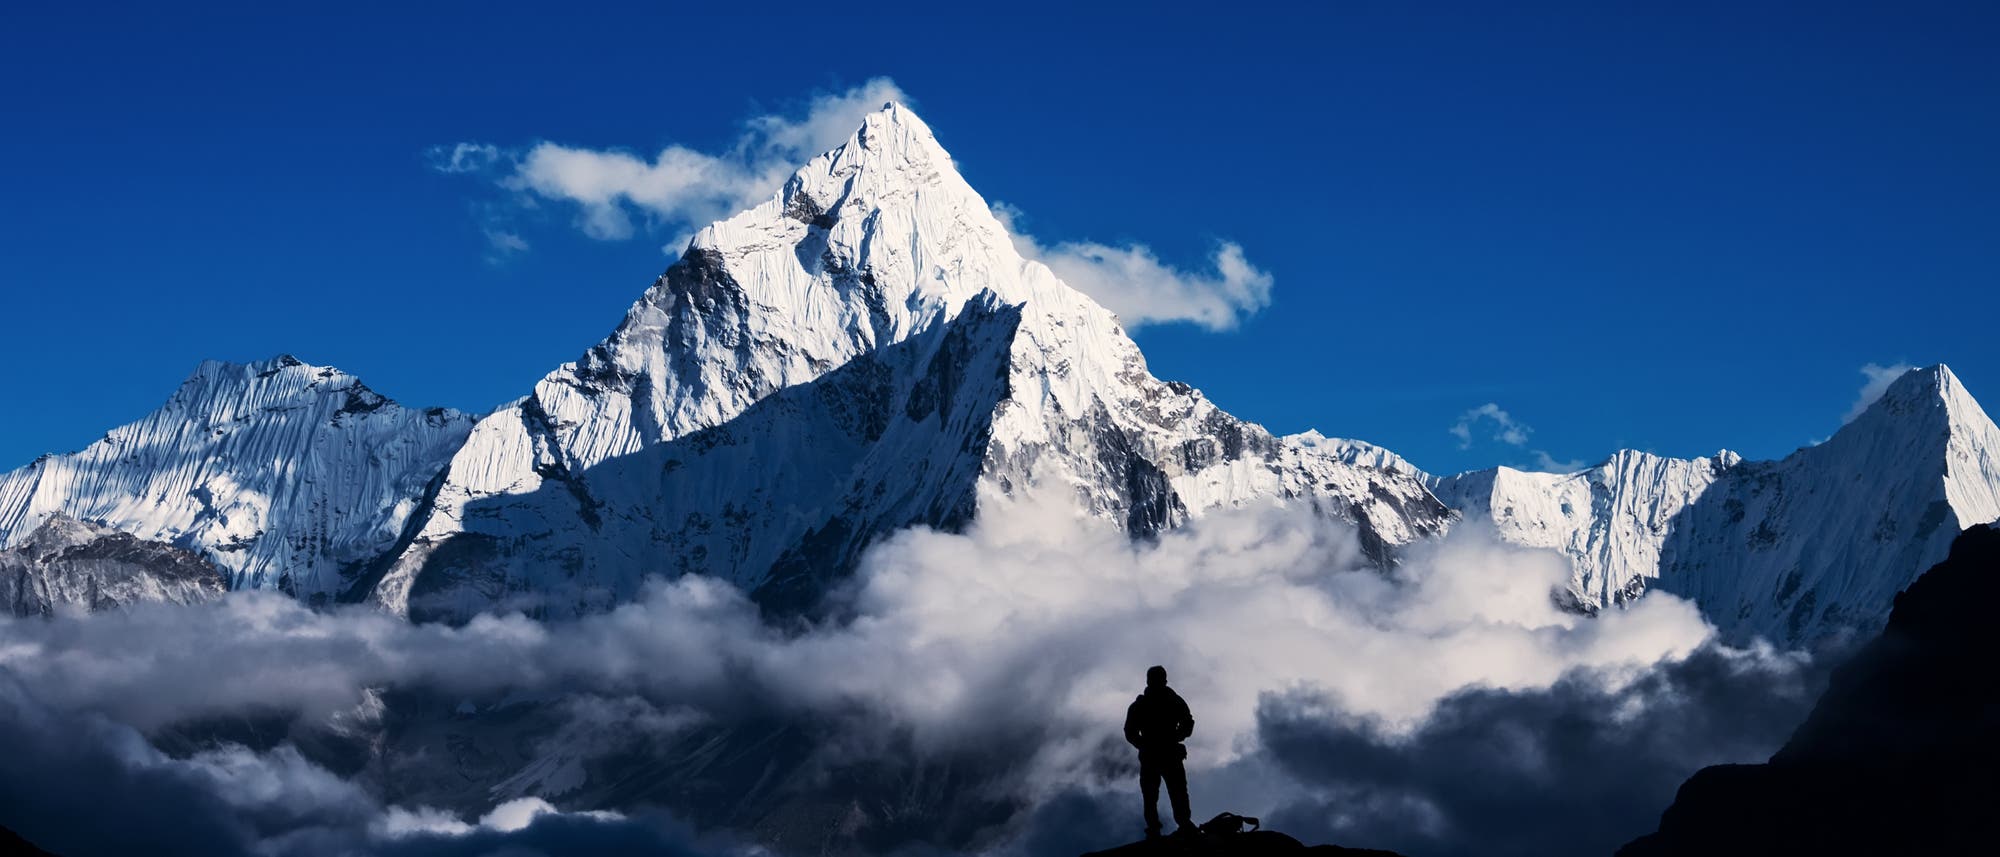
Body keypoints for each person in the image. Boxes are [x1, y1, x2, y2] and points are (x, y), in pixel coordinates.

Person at [1123, 664, 1195, 837]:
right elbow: (1130, 731)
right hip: (1154, 755)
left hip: (1165, 754)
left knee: (1173, 792)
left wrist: (1177, 737)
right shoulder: (1143, 704)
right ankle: (1157, 827)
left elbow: (1188, 722)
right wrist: (1144, 744)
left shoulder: (1171, 700)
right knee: (1153, 794)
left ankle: (1181, 824)